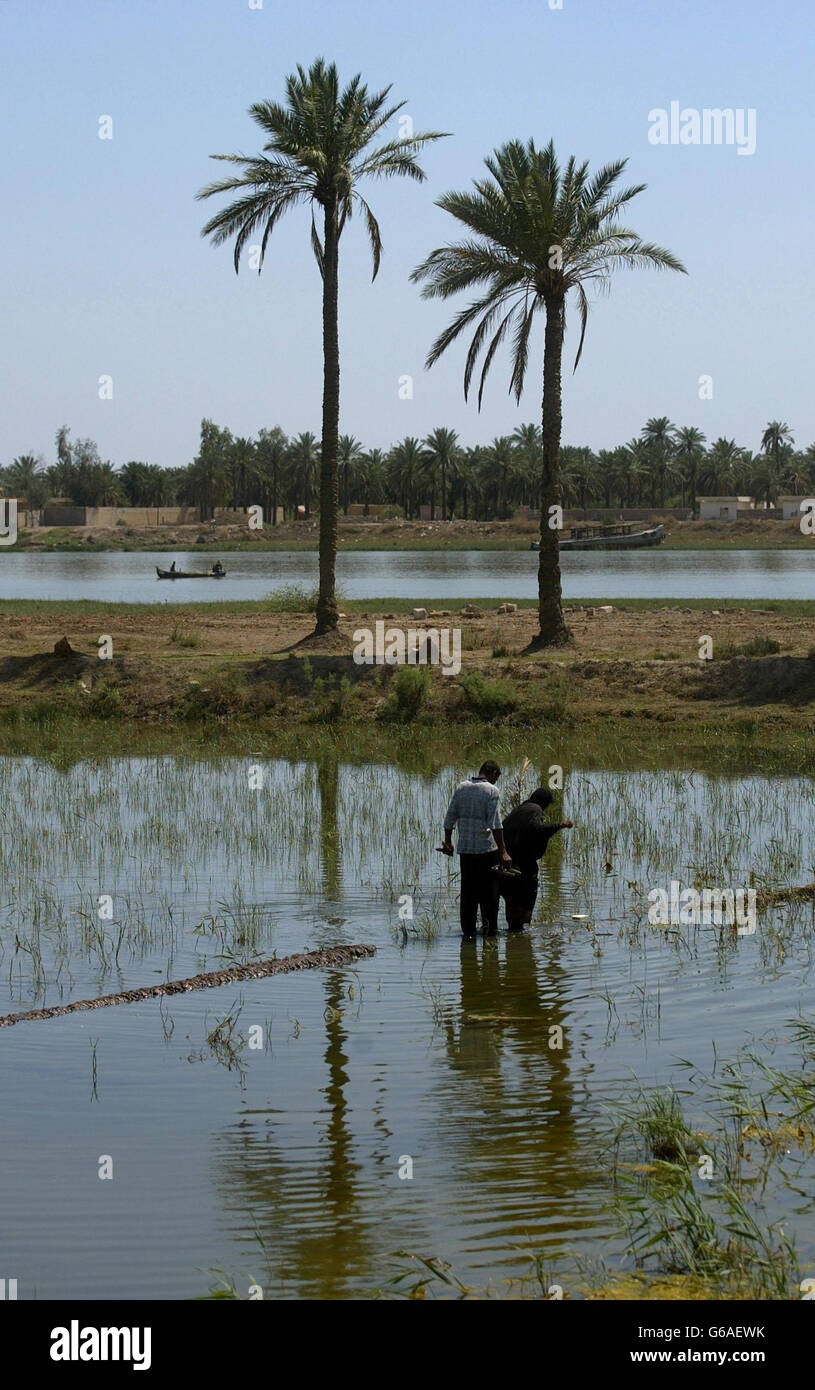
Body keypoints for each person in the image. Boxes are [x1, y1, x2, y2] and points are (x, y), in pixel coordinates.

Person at [441, 760, 512, 937]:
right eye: (497, 777)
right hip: (487, 852)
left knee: (468, 895)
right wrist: (503, 852)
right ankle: (490, 933)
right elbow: (495, 824)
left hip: (466, 852)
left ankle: (468, 935)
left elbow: (450, 817)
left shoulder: (461, 787)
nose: (496, 781)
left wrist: (448, 841)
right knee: (489, 895)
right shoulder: (491, 790)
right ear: (493, 773)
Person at [500, 787, 573, 931]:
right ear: (544, 802)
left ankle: (514, 939)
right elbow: (537, 830)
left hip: (508, 862)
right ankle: (519, 938)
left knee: (512, 900)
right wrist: (559, 826)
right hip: (523, 864)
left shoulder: (520, 809)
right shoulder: (535, 810)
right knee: (525, 896)